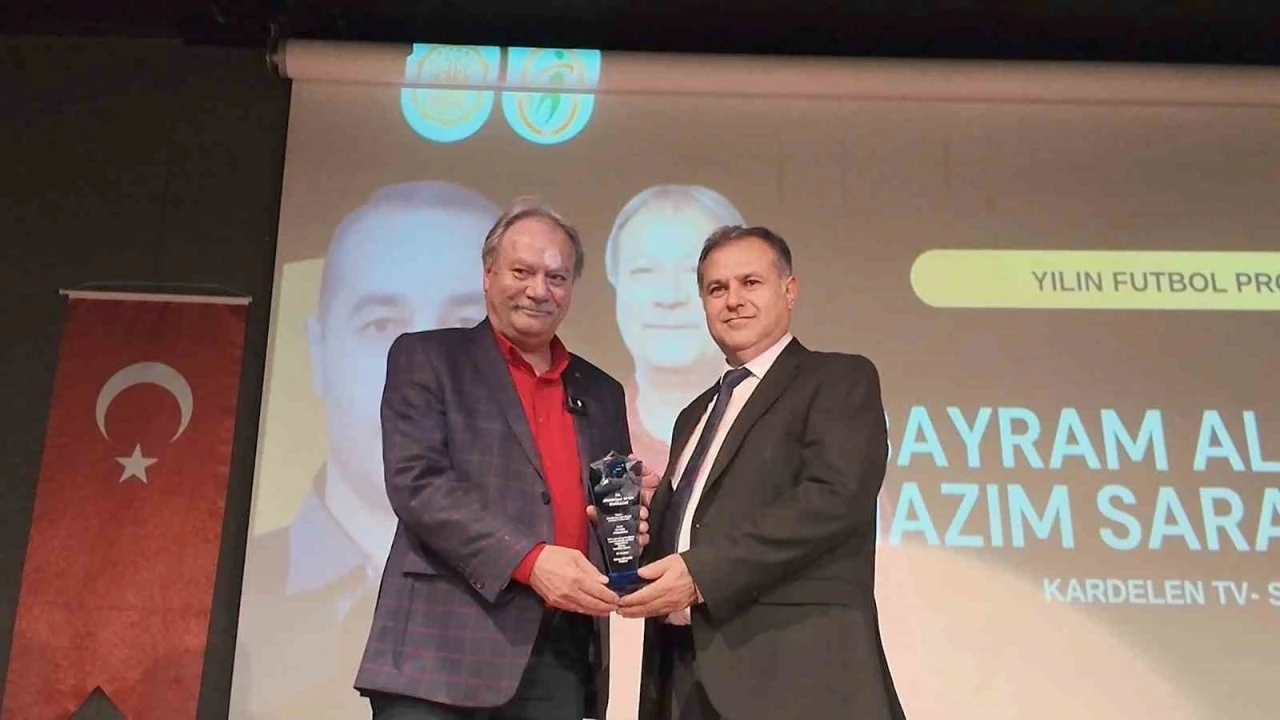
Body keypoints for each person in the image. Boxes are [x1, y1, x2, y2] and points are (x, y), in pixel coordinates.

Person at [353, 200, 656, 720]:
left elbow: (606, 511)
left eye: (556, 277)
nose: (539, 290)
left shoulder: (601, 391)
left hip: (559, 653)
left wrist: (627, 526)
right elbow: (417, 484)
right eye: (522, 272)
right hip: (440, 650)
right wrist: (531, 561)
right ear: (488, 275)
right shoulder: (428, 358)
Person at [232, 180, 500, 719]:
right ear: (318, 351)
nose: (424, 371)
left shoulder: (547, 588)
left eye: (462, 325)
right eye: (381, 325)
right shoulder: (247, 592)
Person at [619, 225, 905, 720]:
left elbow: (834, 497)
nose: (733, 300)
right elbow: (689, 537)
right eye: (717, 288)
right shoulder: (695, 414)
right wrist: (637, 527)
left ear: (789, 291)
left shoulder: (838, 379)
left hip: (796, 678)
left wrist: (701, 574)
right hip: (682, 677)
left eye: (750, 282)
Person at [604, 185, 747, 477]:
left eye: (693, 272)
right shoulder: (589, 427)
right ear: (615, 283)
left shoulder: (782, 423)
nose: (669, 296)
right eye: (644, 271)